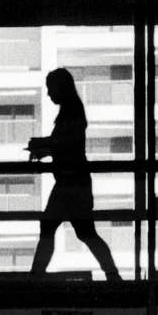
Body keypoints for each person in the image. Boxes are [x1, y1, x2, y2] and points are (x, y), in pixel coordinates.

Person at [27, 66, 122, 280]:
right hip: (75, 181)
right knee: (84, 232)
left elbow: (65, 143)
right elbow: (68, 143)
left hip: (69, 183)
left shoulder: (70, 111)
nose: (49, 93)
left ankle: (36, 276)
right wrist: (47, 147)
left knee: (52, 227)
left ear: (61, 87)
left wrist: (43, 145)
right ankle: (112, 274)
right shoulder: (73, 109)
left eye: (51, 88)